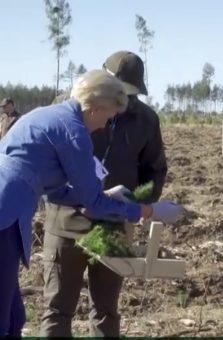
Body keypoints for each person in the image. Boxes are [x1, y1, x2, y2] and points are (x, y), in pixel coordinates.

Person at [0, 69, 182, 336]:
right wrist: (148, 210)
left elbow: (56, 192)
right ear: (96, 108)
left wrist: (106, 197)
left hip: (10, 206)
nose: (105, 125)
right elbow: (92, 203)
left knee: (14, 314)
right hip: (6, 215)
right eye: (108, 117)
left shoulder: (48, 115)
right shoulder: (75, 132)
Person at [40, 51, 168, 337]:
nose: (122, 99)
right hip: (66, 221)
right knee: (58, 307)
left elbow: (154, 170)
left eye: (129, 93)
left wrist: (140, 204)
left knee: (106, 309)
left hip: (114, 225)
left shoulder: (146, 120)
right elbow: (47, 160)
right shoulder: (66, 106)